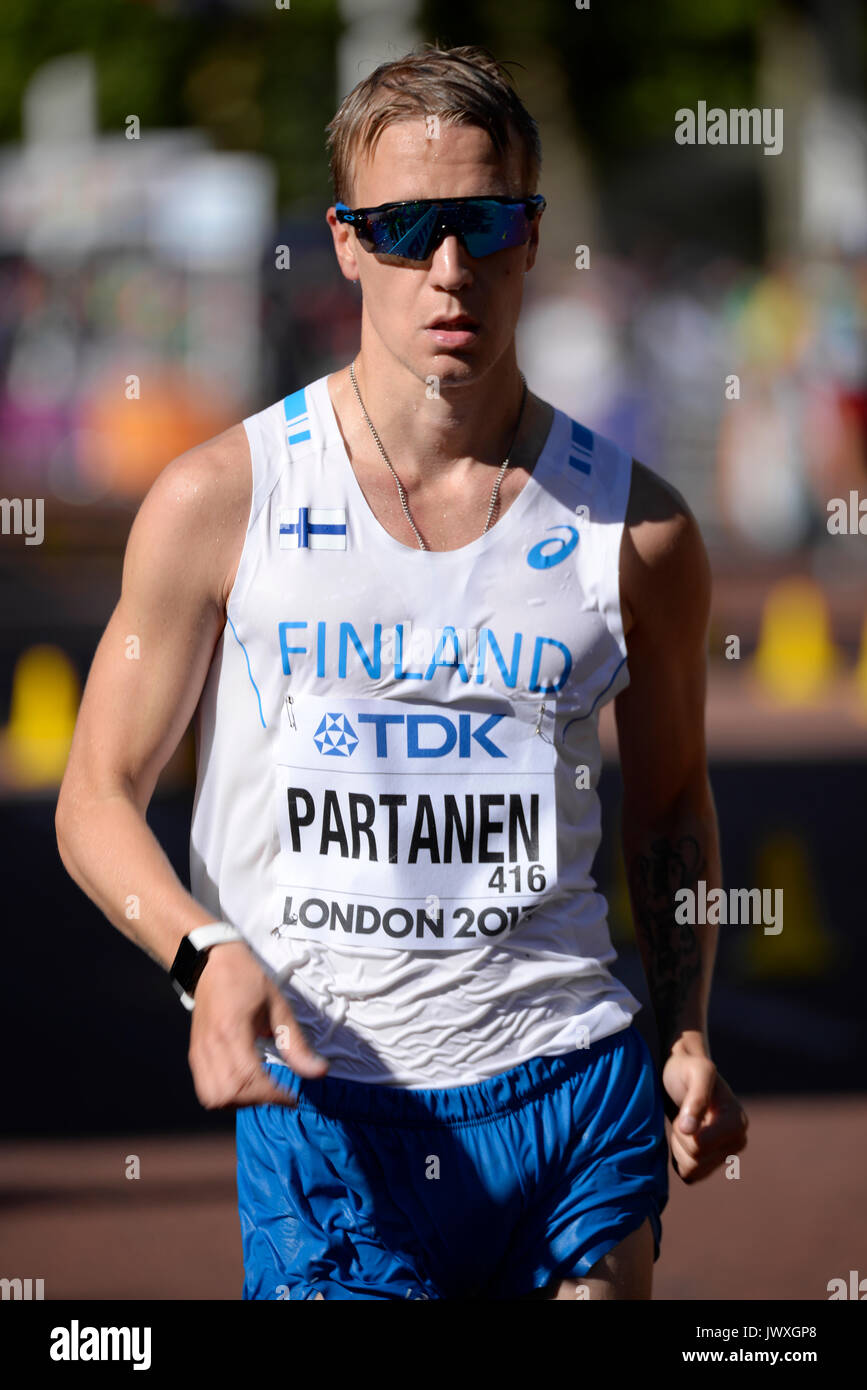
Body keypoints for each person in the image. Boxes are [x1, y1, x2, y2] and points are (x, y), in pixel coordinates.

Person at [56, 43, 748, 1301]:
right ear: (342, 241)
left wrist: (690, 1031)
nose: (448, 266)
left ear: (531, 236)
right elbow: (95, 792)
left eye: (483, 221)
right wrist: (208, 954)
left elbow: (670, 804)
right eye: (405, 226)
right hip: (331, 1105)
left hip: (567, 1081)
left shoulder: (639, 533)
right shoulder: (223, 499)